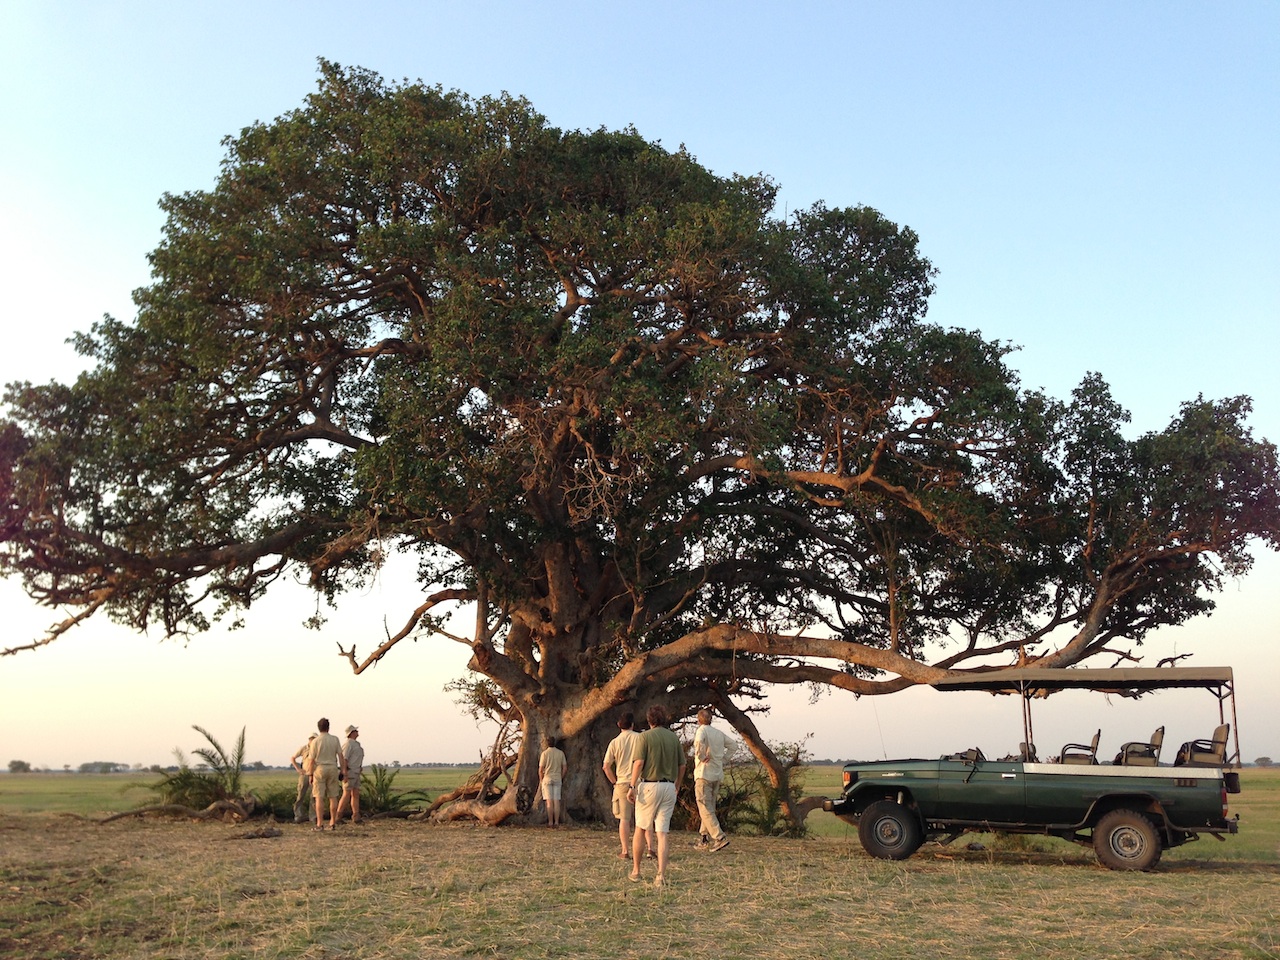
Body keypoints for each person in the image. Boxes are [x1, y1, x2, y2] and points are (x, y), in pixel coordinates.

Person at [627, 704, 686, 888]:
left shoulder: (644, 737)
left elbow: (639, 763)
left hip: (649, 786)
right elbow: (682, 765)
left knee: (640, 828)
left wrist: (632, 785)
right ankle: (660, 875)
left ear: (649, 720)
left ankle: (636, 871)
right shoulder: (673, 738)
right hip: (668, 787)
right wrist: (677, 784)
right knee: (662, 833)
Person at [602, 711, 649, 860]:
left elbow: (606, 766)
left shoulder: (615, 742)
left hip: (622, 783)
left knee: (624, 819)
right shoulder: (640, 738)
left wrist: (614, 782)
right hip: (640, 782)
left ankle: (625, 850)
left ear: (618, 725)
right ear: (633, 725)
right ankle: (650, 849)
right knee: (645, 818)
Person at [692, 708, 730, 852]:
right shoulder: (718, 733)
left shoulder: (701, 731)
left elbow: (698, 743)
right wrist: (723, 760)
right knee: (709, 807)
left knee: (704, 806)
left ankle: (719, 837)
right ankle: (704, 837)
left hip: (704, 773)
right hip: (716, 774)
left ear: (698, 720)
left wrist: (701, 757)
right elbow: (734, 745)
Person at [306, 717, 347, 830]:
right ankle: (332, 822)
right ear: (328, 727)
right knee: (333, 796)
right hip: (332, 767)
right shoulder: (335, 739)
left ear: (318, 728)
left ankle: (319, 823)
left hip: (319, 769)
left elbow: (311, 760)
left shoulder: (315, 741)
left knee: (319, 797)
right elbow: (340, 756)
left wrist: (310, 774)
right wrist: (343, 770)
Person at [336, 724, 364, 824]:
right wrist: (344, 772)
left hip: (356, 771)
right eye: (355, 731)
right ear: (352, 733)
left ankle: (356, 816)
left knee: (355, 793)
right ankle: (338, 816)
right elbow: (344, 759)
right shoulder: (348, 744)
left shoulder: (356, 744)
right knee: (346, 794)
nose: (357, 732)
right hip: (350, 771)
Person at [539, 737, 568, 827]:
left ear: (547, 743)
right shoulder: (560, 753)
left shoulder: (544, 754)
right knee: (556, 801)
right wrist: (561, 777)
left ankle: (550, 822)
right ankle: (556, 822)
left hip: (547, 779)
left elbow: (540, 769)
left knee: (549, 802)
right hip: (557, 778)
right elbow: (565, 768)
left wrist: (541, 780)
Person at [290, 733, 316, 824]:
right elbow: (293, 758)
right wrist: (298, 769)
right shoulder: (304, 748)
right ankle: (298, 815)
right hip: (304, 774)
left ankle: (313, 816)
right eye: (312, 739)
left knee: (314, 796)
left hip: (314, 774)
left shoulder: (317, 748)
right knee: (300, 795)